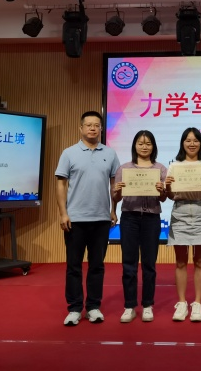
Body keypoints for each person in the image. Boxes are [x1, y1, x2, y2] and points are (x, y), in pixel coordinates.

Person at [55, 111, 120, 326]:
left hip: (101, 219)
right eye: (89, 125)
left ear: (101, 129)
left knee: (97, 265)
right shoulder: (69, 153)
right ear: (81, 128)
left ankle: (93, 307)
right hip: (75, 219)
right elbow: (61, 184)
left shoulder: (110, 154)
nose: (93, 128)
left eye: (96, 125)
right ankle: (74, 308)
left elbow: (114, 185)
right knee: (73, 266)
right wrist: (63, 213)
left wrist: (113, 209)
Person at [112, 130, 167, 323]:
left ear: (153, 147)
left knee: (149, 264)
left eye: (148, 143)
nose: (144, 147)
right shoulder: (124, 169)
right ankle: (129, 306)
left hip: (151, 218)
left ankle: (147, 305)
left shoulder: (160, 169)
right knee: (129, 263)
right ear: (134, 146)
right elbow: (116, 198)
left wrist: (162, 191)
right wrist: (117, 191)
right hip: (129, 218)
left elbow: (164, 198)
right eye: (141, 143)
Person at [165, 127, 201, 322]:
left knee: (200, 261)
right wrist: (168, 186)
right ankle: (181, 303)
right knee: (180, 261)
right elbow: (171, 196)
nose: (192, 143)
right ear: (182, 143)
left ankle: (197, 303)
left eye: (196, 140)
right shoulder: (174, 166)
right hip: (179, 214)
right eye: (188, 140)